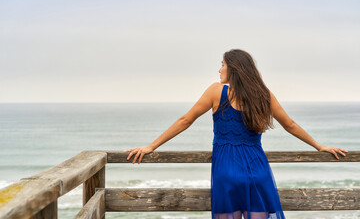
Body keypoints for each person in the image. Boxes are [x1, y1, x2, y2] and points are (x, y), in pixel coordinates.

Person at [124, 49, 348, 219]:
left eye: (221, 65)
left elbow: (185, 120)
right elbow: (289, 124)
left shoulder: (216, 91)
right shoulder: (263, 95)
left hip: (226, 172)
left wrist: (151, 146)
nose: (219, 70)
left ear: (233, 68)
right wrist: (319, 146)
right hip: (257, 171)